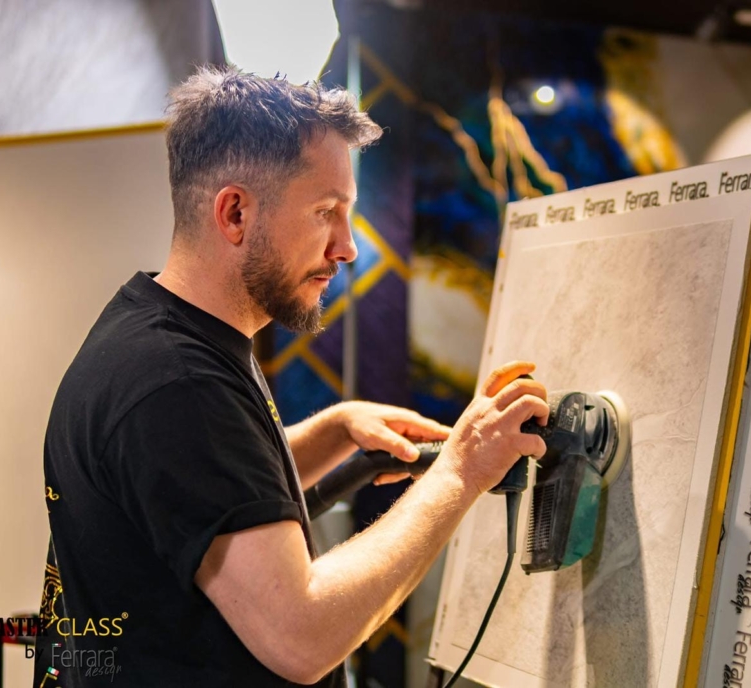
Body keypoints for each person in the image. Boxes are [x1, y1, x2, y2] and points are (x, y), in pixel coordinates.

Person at [34, 65, 549, 687]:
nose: (347, 247)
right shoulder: (177, 383)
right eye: (325, 211)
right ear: (234, 213)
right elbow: (302, 637)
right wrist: (462, 470)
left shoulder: (158, 333)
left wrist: (334, 431)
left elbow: (205, 489)